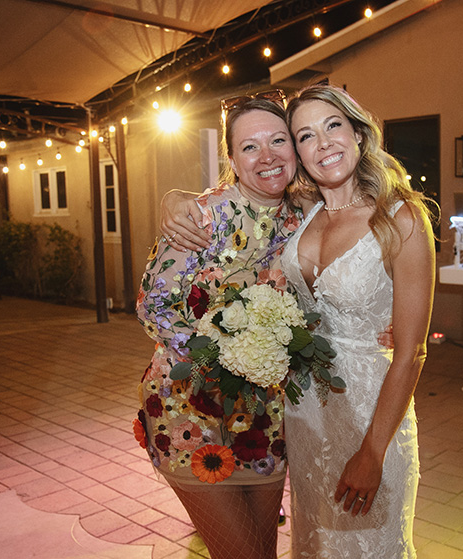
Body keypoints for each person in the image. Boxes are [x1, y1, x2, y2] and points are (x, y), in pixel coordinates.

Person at [161, 84, 432, 557]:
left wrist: (372, 453)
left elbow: (412, 351)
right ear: (300, 154)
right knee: (314, 545)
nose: (323, 143)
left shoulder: (402, 219)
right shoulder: (305, 212)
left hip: (371, 413)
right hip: (304, 418)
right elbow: (238, 196)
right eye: (306, 135)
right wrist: (174, 197)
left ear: (359, 134)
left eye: (333, 126)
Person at [134, 93, 298, 559]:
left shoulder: (303, 218)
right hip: (190, 410)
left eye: (278, 140)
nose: (266, 156)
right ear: (231, 158)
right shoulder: (202, 215)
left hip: (265, 420)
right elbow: (154, 307)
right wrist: (228, 348)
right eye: (250, 146)